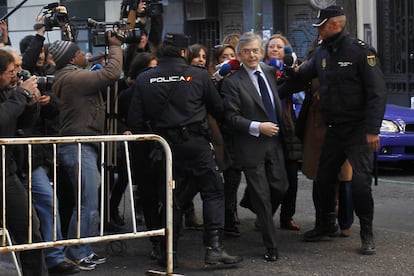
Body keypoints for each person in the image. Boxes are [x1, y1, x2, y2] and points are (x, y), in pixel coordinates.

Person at [128, 33, 242, 267]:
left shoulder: (145, 78)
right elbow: (218, 108)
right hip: (195, 143)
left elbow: (135, 120)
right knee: (212, 191)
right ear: (183, 52)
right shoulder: (199, 75)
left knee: (173, 198)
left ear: (161, 50)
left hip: (165, 147)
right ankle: (214, 248)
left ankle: (169, 251)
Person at [293, 5, 387, 255]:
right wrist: (272, 87)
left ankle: (367, 233)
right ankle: (325, 225)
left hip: (358, 129)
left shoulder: (360, 51)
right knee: (323, 179)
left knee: (360, 184)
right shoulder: (323, 52)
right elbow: (300, 77)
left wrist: (372, 129)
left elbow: (377, 93)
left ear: (335, 25)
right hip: (334, 128)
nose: (318, 31)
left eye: (321, 26)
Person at [49, 32, 123, 269]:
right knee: (87, 202)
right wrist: (115, 46)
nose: (84, 55)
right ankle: (78, 251)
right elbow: (112, 74)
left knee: (87, 201)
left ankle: (82, 248)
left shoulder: (68, 75)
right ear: (72, 59)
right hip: (78, 146)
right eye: (80, 53)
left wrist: (105, 53)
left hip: (79, 145)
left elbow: (94, 65)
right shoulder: (73, 79)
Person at [221, 32, 289, 261]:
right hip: (250, 145)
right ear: (239, 55)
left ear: (262, 52)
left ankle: (254, 207)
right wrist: (257, 126)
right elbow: (230, 117)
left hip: (274, 142)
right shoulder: (232, 82)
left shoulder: (269, 72)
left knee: (281, 186)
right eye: (247, 51)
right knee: (262, 196)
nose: (252, 55)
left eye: (256, 50)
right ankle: (271, 247)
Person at [0, 48, 48, 275]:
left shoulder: (7, 91)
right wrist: (21, 96)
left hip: (6, 173)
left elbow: (21, 122)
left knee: (29, 231)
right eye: (12, 70)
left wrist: (30, 103)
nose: (16, 74)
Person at [263, 34, 301, 231]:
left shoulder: (290, 70)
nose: (275, 49)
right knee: (273, 179)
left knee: (292, 176)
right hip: (266, 129)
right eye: (271, 46)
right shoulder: (261, 72)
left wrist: (291, 72)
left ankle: (287, 216)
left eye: (279, 47)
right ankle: (265, 216)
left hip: (288, 128)